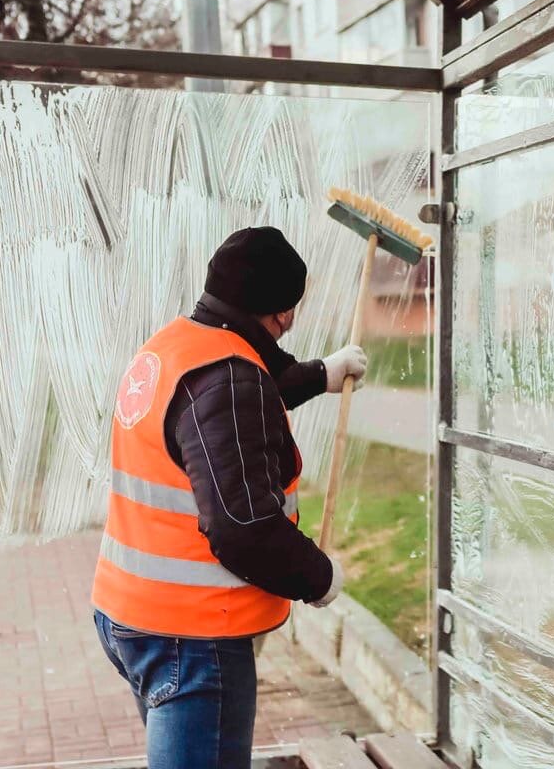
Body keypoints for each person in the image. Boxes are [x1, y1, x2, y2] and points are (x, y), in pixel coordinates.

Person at [91, 226, 367, 769]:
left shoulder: (176, 345)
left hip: (130, 613)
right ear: (284, 313)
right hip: (191, 638)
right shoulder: (229, 379)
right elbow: (242, 527)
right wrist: (318, 576)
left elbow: (230, 404)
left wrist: (321, 374)